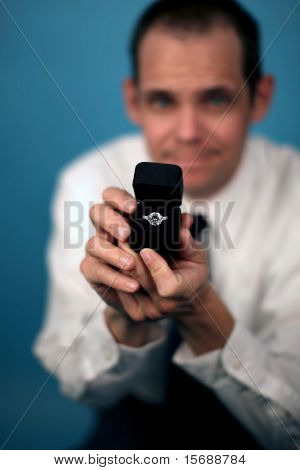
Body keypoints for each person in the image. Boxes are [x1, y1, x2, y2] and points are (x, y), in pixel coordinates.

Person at [33, 0, 300, 450]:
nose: (189, 131)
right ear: (133, 101)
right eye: (163, 100)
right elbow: (81, 386)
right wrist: (125, 320)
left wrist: (201, 312)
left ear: (261, 97)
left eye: (218, 99)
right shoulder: (87, 182)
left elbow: (291, 426)